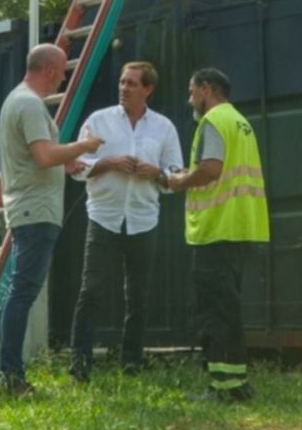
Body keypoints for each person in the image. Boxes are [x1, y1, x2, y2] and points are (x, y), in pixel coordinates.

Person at [0, 43, 105, 397]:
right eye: (62, 71)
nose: (64, 77)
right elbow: (43, 156)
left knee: (21, 291)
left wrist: (65, 161)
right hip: (35, 210)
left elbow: (39, 156)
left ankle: (9, 374)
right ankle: (9, 376)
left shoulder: (19, 99)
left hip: (29, 208)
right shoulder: (28, 104)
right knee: (23, 292)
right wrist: (82, 147)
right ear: (48, 70)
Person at [68, 62, 183, 382]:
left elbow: (177, 175)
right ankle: (79, 365)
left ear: (148, 89)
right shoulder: (98, 121)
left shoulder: (164, 128)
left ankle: (131, 362)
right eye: (121, 82)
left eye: (132, 83)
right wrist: (109, 163)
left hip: (143, 220)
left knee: (138, 296)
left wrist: (157, 173)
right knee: (90, 291)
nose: (123, 88)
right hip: (103, 218)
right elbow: (75, 167)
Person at [162, 67, 269, 402]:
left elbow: (210, 169)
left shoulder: (212, 122)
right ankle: (237, 382)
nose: (189, 98)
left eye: (192, 91)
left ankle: (223, 388)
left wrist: (178, 181)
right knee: (229, 309)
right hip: (241, 227)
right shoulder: (240, 121)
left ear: (206, 89)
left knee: (215, 311)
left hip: (216, 229)